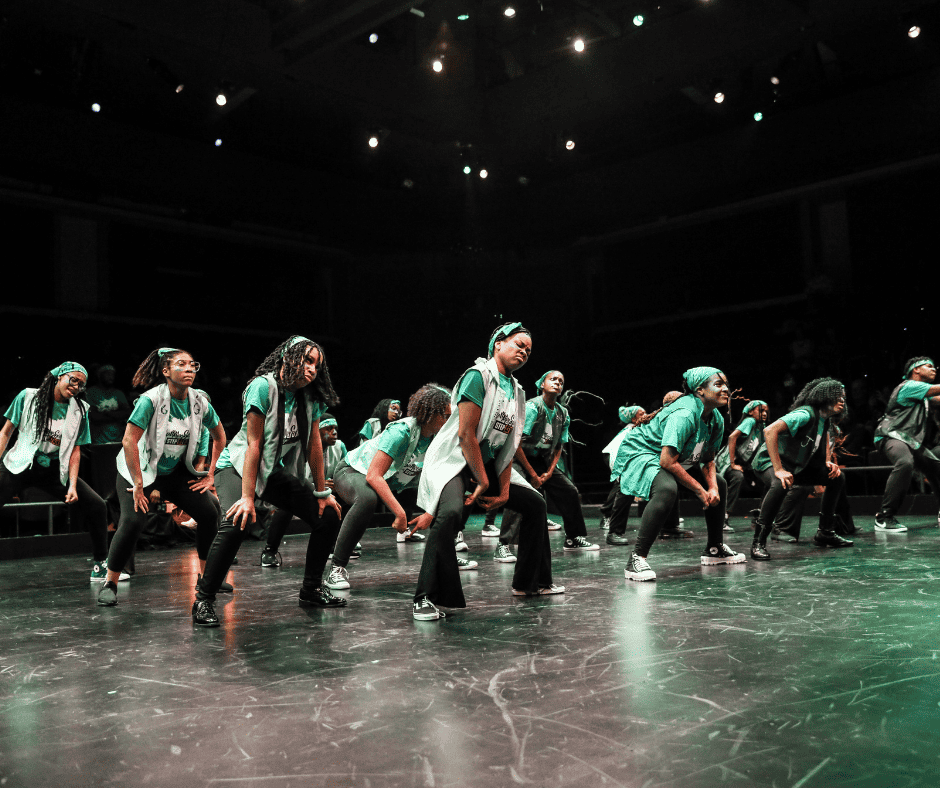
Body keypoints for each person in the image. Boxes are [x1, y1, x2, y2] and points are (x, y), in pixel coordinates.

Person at [409, 322, 562, 620]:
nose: (524, 352)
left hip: (486, 463)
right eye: (519, 345)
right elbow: (466, 435)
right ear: (498, 344)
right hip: (456, 459)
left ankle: (530, 584)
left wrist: (503, 491)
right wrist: (480, 479)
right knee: (451, 513)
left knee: (534, 504)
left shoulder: (517, 391)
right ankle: (424, 597)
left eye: (528, 350)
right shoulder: (476, 376)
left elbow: (508, 445)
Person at [191, 336, 343, 627]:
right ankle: (203, 599)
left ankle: (311, 589)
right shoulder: (262, 387)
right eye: (307, 360)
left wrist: (322, 492)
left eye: (316, 365)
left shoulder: (309, 397)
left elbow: (313, 444)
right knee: (237, 521)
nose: (312, 369)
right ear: (288, 356)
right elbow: (254, 444)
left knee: (328, 515)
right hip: (236, 467)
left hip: (270, 470)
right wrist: (247, 497)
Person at [96, 348, 227, 606]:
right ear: (166, 371)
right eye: (182, 364)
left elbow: (220, 437)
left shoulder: (200, 402)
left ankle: (206, 577)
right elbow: (128, 440)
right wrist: (138, 483)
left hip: (174, 472)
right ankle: (110, 581)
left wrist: (211, 475)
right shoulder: (151, 400)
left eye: (193, 364)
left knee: (209, 513)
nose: (189, 369)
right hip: (139, 470)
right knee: (133, 521)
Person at [325, 384, 466, 591]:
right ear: (430, 414)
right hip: (352, 471)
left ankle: (448, 558)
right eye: (445, 416)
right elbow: (374, 475)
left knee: (451, 495)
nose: (449, 422)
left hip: (390, 481)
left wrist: (430, 511)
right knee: (367, 498)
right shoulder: (402, 431)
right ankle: (336, 568)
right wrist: (399, 514)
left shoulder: (437, 438)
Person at [613, 368, 745, 582]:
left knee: (719, 483)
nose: (726, 389)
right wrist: (701, 491)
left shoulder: (716, 419)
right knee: (666, 489)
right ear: (700, 390)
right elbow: (666, 461)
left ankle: (714, 548)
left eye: (726, 384)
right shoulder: (685, 413)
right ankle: (636, 559)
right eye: (718, 384)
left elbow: (708, 458)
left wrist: (711, 487)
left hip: (675, 455)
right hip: (645, 451)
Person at [0, 361, 113, 581]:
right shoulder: (27, 397)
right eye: (73, 380)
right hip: (20, 464)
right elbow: (6, 432)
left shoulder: (80, 410)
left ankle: (100, 565)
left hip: (53, 469)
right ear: (59, 377)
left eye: (81, 385)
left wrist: (71, 484)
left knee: (97, 506)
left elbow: (76, 450)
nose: (76, 386)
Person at [496, 370, 597, 560]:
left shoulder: (562, 413)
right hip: (518, 458)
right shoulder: (533, 407)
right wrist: (533, 475)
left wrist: (549, 472)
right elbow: (516, 443)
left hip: (542, 461)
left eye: (561, 380)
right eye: (553, 379)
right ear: (542, 384)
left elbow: (558, 446)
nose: (557, 382)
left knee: (570, 491)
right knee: (520, 492)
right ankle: (503, 544)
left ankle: (573, 537)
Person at [749, 377, 853, 560]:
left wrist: (826, 463)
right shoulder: (805, 414)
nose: (842, 400)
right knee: (779, 483)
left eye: (843, 397)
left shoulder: (825, 420)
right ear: (824, 396)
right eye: (837, 396)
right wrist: (778, 469)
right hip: (769, 462)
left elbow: (817, 444)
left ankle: (825, 532)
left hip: (795, 466)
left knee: (837, 477)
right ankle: (758, 542)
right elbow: (770, 431)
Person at [259, 413, 348, 567]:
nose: (334, 432)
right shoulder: (304, 445)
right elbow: (296, 477)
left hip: (327, 491)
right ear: (317, 430)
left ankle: (340, 543)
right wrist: (319, 487)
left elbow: (346, 472)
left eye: (336, 428)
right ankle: (269, 551)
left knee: (343, 499)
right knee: (286, 507)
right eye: (329, 428)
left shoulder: (340, 447)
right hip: (306, 489)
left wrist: (338, 484)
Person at [872, 356, 940, 531]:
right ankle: (884, 517)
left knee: (936, 468)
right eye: (929, 366)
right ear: (916, 369)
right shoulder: (909, 386)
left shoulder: (922, 396)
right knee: (904, 462)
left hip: (911, 441)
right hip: (891, 435)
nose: (934, 369)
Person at [716, 400, 769, 530]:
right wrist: (732, 464)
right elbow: (732, 437)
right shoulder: (750, 421)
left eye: (766, 411)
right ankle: (724, 517)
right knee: (737, 477)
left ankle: (760, 515)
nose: (765, 414)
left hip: (745, 464)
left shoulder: (761, 427)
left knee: (767, 479)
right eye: (761, 410)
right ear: (750, 412)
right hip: (726, 461)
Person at [599, 405, 646, 546]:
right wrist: (619, 472)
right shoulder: (631, 429)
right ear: (633, 418)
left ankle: (607, 513)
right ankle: (614, 531)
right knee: (624, 486)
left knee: (620, 486)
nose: (646, 414)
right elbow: (616, 452)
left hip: (618, 457)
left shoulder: (639, 428)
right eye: (641, 413)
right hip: (614, 457)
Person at [85, 364, 132, 445]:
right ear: (100, 376)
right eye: (107, 374)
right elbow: (94, 417)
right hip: (98, 440)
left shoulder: (118, 393)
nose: (111, 377)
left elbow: (128, 413)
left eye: (112, 374)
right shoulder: (91, 393)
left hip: (118, 439)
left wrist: (106, 413)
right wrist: (117, 416)